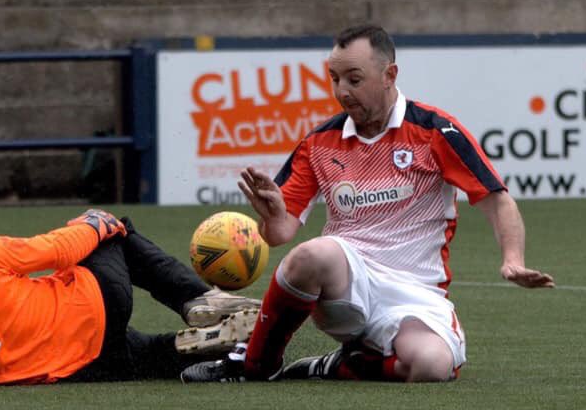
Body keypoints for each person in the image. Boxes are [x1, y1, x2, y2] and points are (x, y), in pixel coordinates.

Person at [181, 24, 554, 384]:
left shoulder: (435, 131)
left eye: (354, 80)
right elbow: (280, 235)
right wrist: (273, 217)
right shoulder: (320, 142)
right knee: (315, 254)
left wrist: (512, 260)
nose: (342, 91)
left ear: (389, 74)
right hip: (347, 282)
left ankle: (339, 366)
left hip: (414, 293)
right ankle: (255, 363)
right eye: (334, 79)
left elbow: (497, 200)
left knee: (431, 366)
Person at [0, 209, 261, 386]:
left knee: (142, 356)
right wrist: (96, 221)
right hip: (94, 307)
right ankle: (198, 300)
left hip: (74, 371)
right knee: (113, 232)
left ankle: (182, 349)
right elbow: (58, 249)